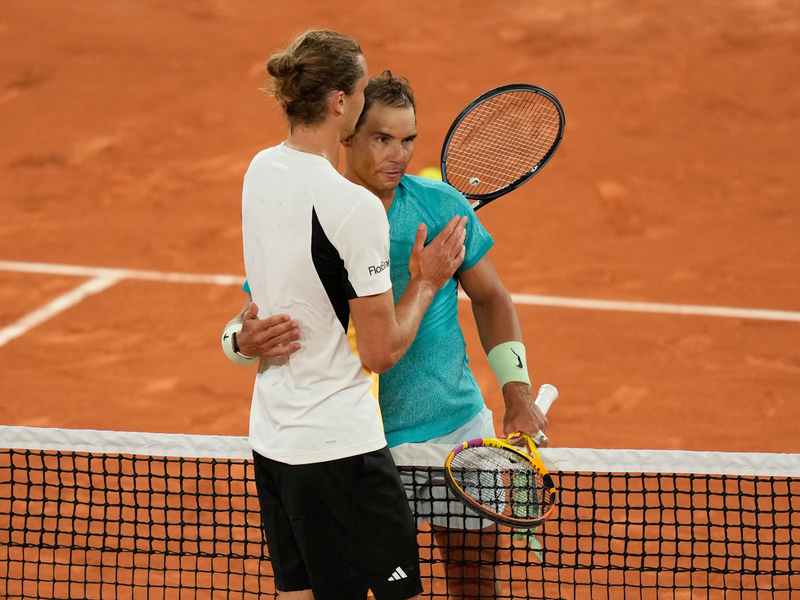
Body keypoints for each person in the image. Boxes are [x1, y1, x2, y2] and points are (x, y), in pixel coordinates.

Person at [227, 71, 548, 599]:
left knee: (475, 582)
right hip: (361, 448)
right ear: (348, 135)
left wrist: (518, 394)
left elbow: (492, 299)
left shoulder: (441, 206)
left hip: (455, 437)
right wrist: (239, 341)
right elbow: (254, 316)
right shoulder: (319, 213)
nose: (398, 155)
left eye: (408, 140)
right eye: (382, 139)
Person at [238, 31, 468, 600]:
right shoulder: (352, 207)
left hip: (272, 441)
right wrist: (426, 283)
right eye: (362, 92)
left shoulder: (260, 170)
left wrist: (236, 340)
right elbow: (381, 351)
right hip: (339, 451)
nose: (367, 101)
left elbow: (271, 301)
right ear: (340, 101)